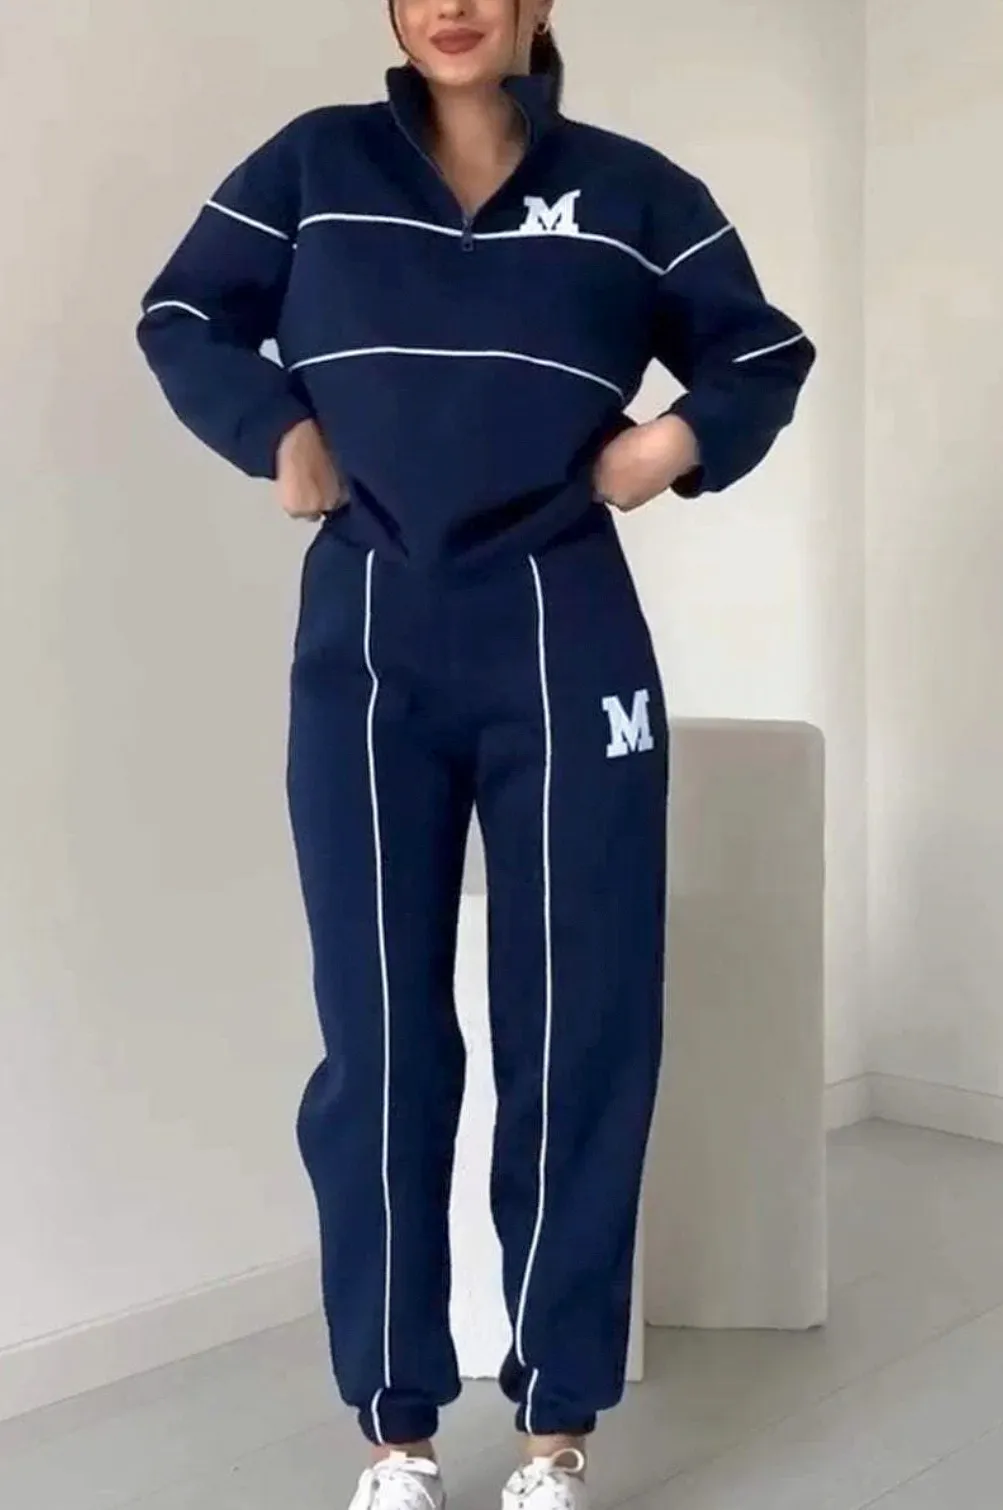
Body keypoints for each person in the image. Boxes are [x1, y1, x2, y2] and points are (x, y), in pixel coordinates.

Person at [137, 0, 814, 1505]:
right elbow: (182, 313)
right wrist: (274, 429)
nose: (451, 5)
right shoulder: (313, 166)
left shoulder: (632, 191)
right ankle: (396, 1431)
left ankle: (555, 1425)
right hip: (368, 637)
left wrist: (670, 444)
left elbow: (762, 349)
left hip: (565, 628)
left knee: (579, 1024)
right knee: (379, 1037)